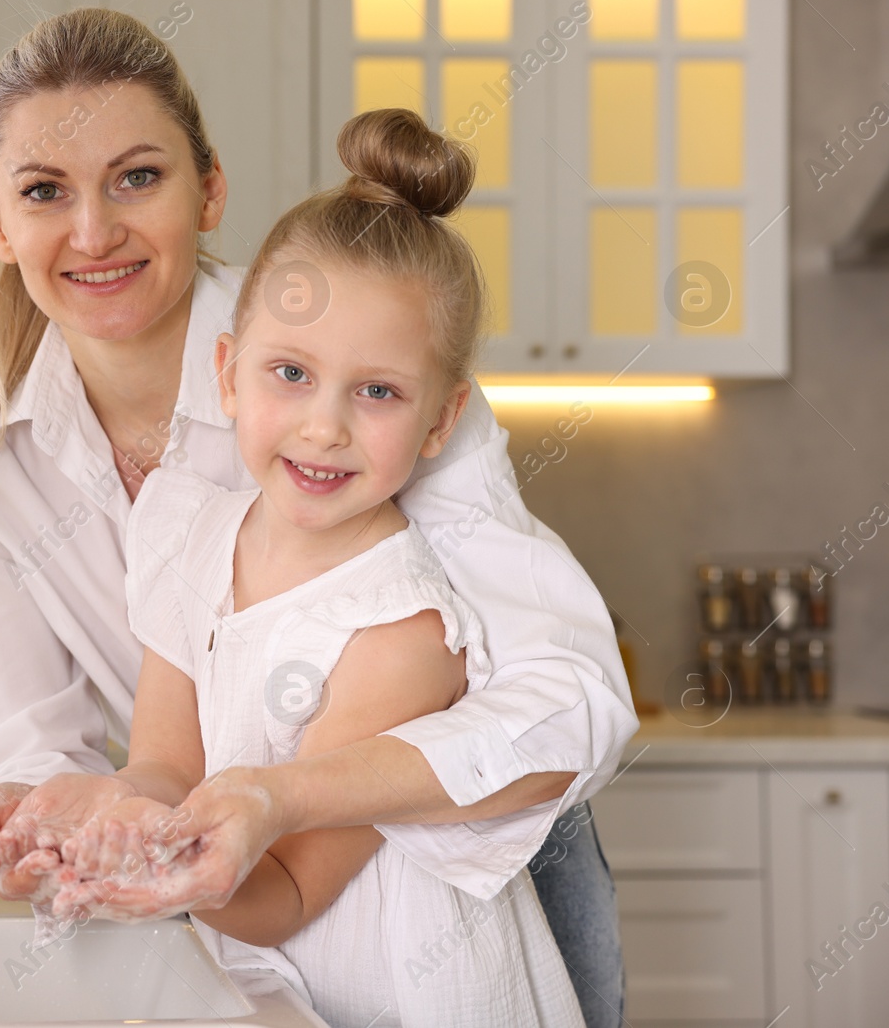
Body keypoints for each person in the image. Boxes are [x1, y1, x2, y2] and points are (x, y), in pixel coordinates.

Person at [0, 6, 635, 1025]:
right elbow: (43, 752)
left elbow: (572, 698)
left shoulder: (353, 334)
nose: (93, 230)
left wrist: (277, 797)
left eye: (137, 176)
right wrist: (54, 821)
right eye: (42, 191)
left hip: (458, 891)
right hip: (236, 908)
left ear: (208, 189)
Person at [39, 104, 585, 1027]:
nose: (324, 424)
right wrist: (105, 813)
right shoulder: (186, 536)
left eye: (377, 391)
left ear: (441, 422)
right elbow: (169, 763)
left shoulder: (402, 627)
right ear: (227, 372)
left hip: (407, 993)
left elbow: (289, 890)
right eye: (289, 372)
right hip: (273, 981)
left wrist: (160, 873)